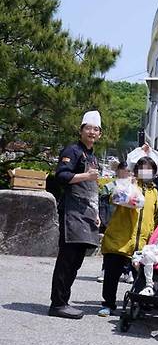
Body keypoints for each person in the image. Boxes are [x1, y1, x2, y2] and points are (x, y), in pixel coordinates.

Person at [49, 110, 103, 319]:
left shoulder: (92, 156)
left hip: (86, 213)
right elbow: (61, 176)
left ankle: (64, 300)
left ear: (100, 134)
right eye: (88, 128)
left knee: (77, 260)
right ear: (81, 130)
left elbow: (92, 187)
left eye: (96, 129)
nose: (92, 132)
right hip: (71, 212)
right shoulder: (72, 150)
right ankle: (57, 303)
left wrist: (95, 212)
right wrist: (86, 175)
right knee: (66, 258)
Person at [98, 157, 158, 317]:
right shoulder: (128, 183)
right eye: (142, 168)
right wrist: (127, 188)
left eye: (149, 169)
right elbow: (114, 198)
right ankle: (108, 304)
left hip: (142, 243)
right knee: (112, 273)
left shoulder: (154, 191)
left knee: (143, 277)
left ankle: (139, 304)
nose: (146, 172)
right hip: (120, 238)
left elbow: (154, 216)